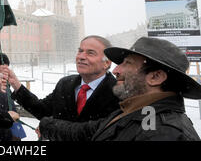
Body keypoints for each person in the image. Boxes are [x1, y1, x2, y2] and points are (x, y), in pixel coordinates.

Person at [38, 37, 201, 141]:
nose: (116, 70)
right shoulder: (138, 112)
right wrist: (48, 126)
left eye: (127, 63)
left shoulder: (162, 133)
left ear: (155, 77)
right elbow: (86, 132)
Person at [7, 36, 120, 128]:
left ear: (107, 63)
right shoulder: (65, 84)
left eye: (90, 53)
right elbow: (42, 110)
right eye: (80, 51)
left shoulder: (119, 93)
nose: (81, 57)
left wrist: (51, 129)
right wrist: (16, 86)